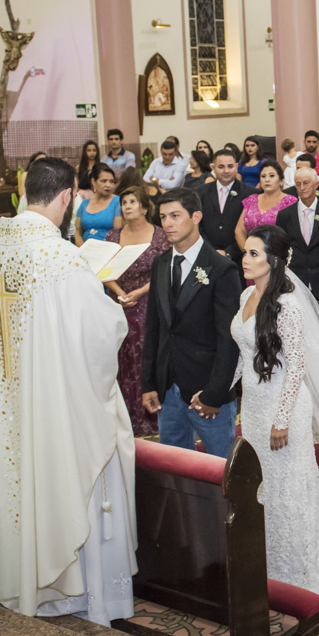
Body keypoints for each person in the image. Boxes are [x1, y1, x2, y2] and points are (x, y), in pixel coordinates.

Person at [0, 156, 136, 625]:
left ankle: (19, 580)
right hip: (52, 401)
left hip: (5, 398)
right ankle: (72, 592)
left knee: (15, 480)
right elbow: (101, 333)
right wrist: (109, 304)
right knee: (70, 467)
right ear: (66, 197)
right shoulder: (61, 257)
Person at [229, 225, 319, 603]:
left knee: (289, 485)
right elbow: (245, 352)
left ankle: (298, 564)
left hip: (284, 405)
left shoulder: (288, 307)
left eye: (254, 254)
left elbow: (295, 367)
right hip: (254, 405)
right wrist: (224, 393)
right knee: (264, 485)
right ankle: (270, 558)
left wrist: (282, 419)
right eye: (245, 252)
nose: (246, 259)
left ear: (274, 261)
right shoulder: (246, 295)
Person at [142, 189, 243, 458]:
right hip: (168, 388)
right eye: (163, 217)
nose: (167, 223)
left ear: (196, 216)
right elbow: (153, 327)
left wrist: (215, 393)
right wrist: (149, 383)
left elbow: (229, 339)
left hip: (206, 388)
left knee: (220, 466)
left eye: (175, 216)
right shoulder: (161, 263)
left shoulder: (221, 268)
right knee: (174, 467)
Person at [102, 185, 169, 435]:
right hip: (118, 302)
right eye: (124, 203)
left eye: (132, 202)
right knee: (120, 359)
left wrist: (139, 292)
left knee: (147, 356)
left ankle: (152, 416)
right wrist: (120, 292)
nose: (127, 206)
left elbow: (165, 271)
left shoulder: (160, 235)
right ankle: (125, 417)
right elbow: (104, 271)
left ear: (144, 207)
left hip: (150, 301)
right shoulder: (113, 236)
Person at [276, 166, 319, 302]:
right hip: (295, 283)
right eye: (298, 184)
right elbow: (281, 249)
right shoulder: (285, 215)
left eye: (306, 183)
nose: (302, 188)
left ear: (316, 184)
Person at [198, 149, 260, 282]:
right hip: (206, 258)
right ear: (213, 168)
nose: (226, 171)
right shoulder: (200, 193)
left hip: (239, 261)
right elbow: (197, 226)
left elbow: (251, 229)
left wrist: (229, 252)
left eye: (230, 166)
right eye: (221, 167)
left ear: (237, 166)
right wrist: (211, 251)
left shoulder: (251, 194)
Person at [236, 160, 297, 248]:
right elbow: (239, 231)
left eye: (271, 176)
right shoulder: (251, 200)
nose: (267, 180)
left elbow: (294, 234)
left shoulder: (290, 201)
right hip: (249, 251)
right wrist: (248, 252)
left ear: (281, 180)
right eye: (263, 176)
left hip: (279, 252)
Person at [75, 164, 122, 244]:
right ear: (93, 182)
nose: (108, 185)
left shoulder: (117, 201)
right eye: (103, 181)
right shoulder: (84, 204)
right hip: (85, 248)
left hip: (108, 247)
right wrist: (82, 248)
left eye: (111, 181)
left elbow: (117, 233)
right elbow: (77, 232)